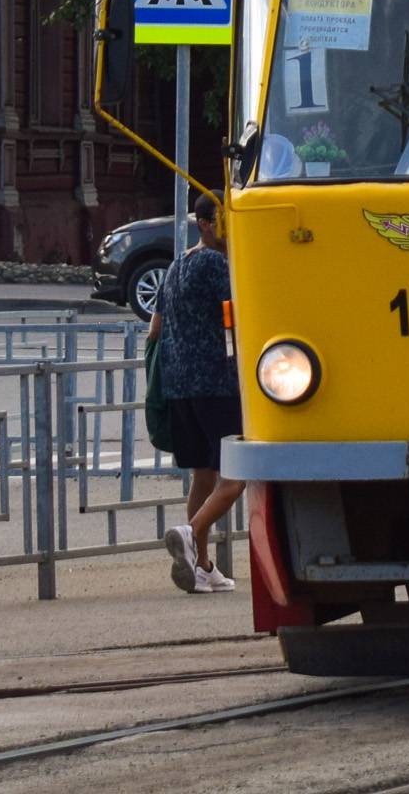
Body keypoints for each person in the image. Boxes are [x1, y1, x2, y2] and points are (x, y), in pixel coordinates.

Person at [147, 214, 243, 593]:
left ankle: (201, 565)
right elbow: (242, 312)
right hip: (217, 384)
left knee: (203, 475)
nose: (229, 229)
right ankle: (191, 531)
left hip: (178, 387)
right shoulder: (217, 264)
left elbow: (155, 329)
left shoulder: (175, 266)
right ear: (204, 224)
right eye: (223, 222)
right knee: (237, 476)